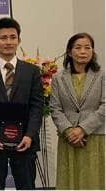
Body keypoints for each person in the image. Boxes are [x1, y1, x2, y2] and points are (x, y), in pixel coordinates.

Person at [0, 17, 43, 189]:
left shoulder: (32, 72)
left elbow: (37, 106)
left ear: (19, 40)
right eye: (3, 38)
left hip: (25, 142)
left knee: (26, 185)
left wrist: (29, 135)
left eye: (13, 37)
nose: (8, 42)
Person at [50, 32, 104, 189]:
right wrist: (69, 131)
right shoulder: (58, 78)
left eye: (88, 48)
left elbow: (105, 106)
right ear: (69, 51)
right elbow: (55, 107)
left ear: (92, 52)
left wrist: (83, 129)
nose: (83, 52)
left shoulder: (102, 76)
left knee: (94, 182)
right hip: (69, 139)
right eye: (78, 47)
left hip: (95, 138)